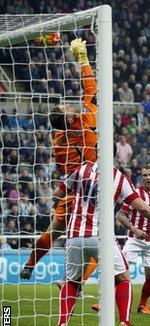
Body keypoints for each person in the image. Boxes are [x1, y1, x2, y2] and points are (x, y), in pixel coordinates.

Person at [53, 162, 150, 326]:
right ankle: (125, 323)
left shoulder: (81, 169)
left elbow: (57, 195)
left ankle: (63, 324)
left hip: (74, 235)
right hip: (101, 236)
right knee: (123, 278)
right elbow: (142, 208)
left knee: (71, 281)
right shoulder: (118, 177)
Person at [21, 38, 98, 279]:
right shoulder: (85, 124)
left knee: (53, 232)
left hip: (70, 189)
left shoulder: (58, 138)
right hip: (91, 190)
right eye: (66, 108)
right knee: (102, 245)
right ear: (71, 117)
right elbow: (92, 90)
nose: (69, 105)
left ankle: (30, 264)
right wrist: (83, 60)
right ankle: (75, 282)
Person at [110, 165, 150, 314]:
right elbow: (120, 215)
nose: (148, 178)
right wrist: (134, 229)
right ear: (141, 178)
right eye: (145, 175)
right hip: (134, 239)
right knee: (119, 270)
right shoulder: (135, 193)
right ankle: (105, 303)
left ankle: (143, 305)